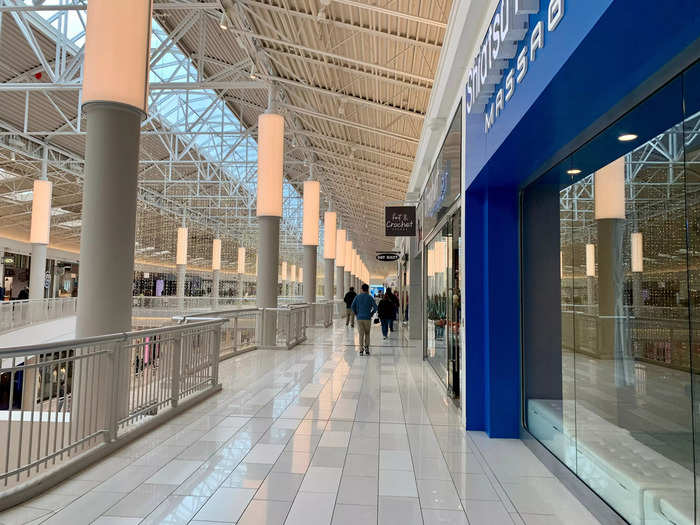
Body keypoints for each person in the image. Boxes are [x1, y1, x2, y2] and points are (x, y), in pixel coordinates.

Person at [351, 283, 377, 355]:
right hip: (367, 318)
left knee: (361, 334)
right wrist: (371, 314)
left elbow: (352, 306)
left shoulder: (357, 297)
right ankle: (367, 349)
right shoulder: (370, 297)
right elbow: (375, 307)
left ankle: (361, 350)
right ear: (367, 289)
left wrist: (357, 313)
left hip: (359, 318)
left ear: (362, 289)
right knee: (367, 333)